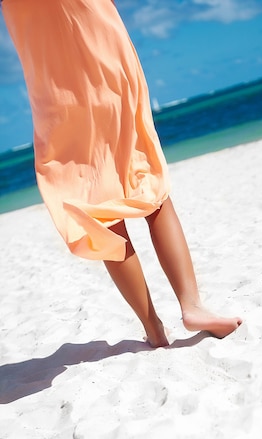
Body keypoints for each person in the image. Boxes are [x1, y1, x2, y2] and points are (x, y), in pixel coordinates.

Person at [2, 0, 242, 348]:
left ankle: (154, 329)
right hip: (109, 70)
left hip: (57, 98)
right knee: (152, 192)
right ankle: (191, 306)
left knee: (98, 209)